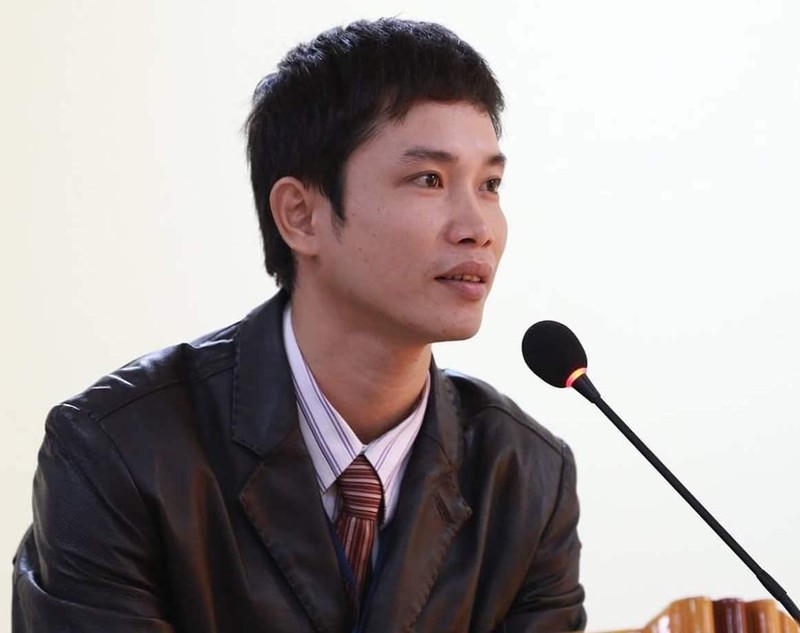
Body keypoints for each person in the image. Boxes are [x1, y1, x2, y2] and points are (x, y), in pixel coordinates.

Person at [12, 18, 585, 632]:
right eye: (429, 180)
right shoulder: (118, 451)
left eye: (490, 184)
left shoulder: (527, 478)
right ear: (301, 215)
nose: (477, 228)